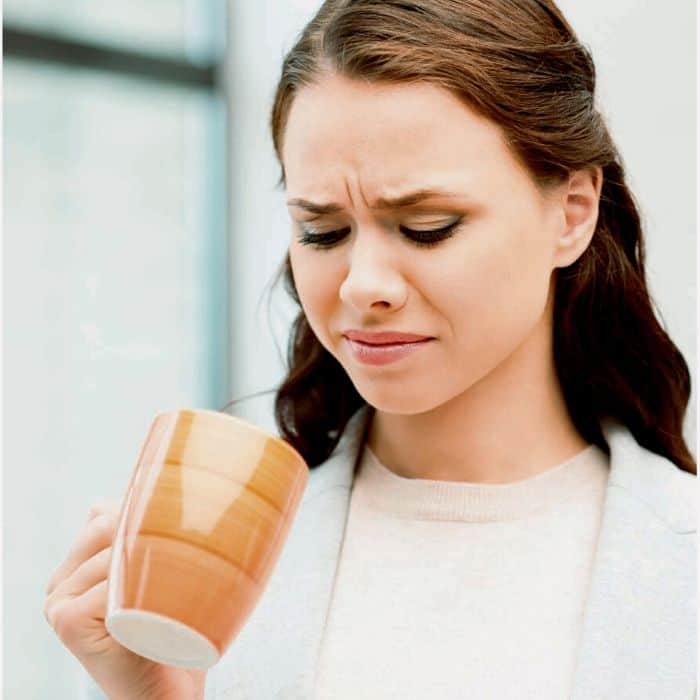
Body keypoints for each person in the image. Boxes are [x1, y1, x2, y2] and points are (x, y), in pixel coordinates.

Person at [45, 1, 696, 698]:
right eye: (322, 232)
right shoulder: (197, 590)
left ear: (571, 214)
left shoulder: (678, 564)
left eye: (427, 226)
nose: (363, 287)